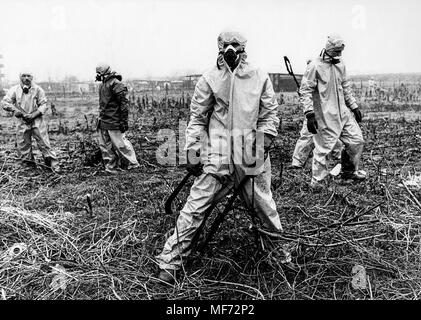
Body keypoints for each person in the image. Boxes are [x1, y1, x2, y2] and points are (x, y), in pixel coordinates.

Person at [155, 31, 283, 284]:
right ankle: (170, 263)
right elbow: (198, 117)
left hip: (250, 155)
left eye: (235, 45)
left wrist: (264, 141)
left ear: (244, 48)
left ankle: (280, 256)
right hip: (218, 154)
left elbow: (269, 114)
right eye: (226, 45)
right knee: (195, 207)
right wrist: (192, 149)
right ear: (219, 47)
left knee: (264, 208)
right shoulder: (210, 78)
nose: (231, 49)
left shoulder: (258, 76)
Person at [299, 34, 366, 190]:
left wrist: (353, 106)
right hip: (325, 115)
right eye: (337, 51)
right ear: (329, 49)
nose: (339, 54)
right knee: (323, 149)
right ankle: (318, 184)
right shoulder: (314, 66)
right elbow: (305, 91)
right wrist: (309, 114)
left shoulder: (340, 64)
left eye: (340, 51)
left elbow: (346, 86)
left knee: (356, 141)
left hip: (343, 113)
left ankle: (348, 172)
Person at [290, 59, 343, 169]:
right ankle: (297, 162)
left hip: (326, 113)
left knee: (330, 135)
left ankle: (338, 155)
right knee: (306, 136)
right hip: (313, 113)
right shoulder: (309, 79)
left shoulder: (325, 78)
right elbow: (306, 94)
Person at [1, 70, 58, 171]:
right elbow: (5, 102)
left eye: (29, 76)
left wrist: (34, 115)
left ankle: (53, 167)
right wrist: (14, 110)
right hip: (22, 121)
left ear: (32, 78)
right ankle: (29, 169)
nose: (26, 78)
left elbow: (43, 104)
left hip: (37, 121)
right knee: (23, 145)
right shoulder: (14, 90)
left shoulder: (38, 89)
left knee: (44, 143)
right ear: (20, 77)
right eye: (24, 76)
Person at [95, 63, 140, 173]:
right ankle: (112, 167)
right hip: (104, 120)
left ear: (106, 73)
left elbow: (124, 104)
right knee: (106, 146)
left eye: (99, 74)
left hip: (114, 120)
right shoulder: (103, 85)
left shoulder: (116, 84)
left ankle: (133, 164)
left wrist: (123, 121)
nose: (97, 76)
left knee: (121, 145)